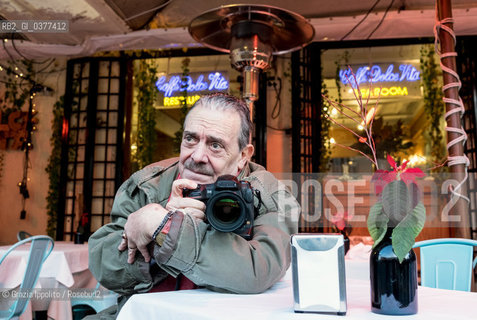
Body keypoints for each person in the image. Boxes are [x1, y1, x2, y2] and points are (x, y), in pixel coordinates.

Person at [88, 93, 300, 317]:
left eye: (215, 145)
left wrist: (166, 229)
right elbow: (104, 266)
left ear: (243, 156)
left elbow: (260, 269)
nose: (198, 156)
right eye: (190, 139)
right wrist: (156, 234)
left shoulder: (268, 195)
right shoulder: (148, 184)